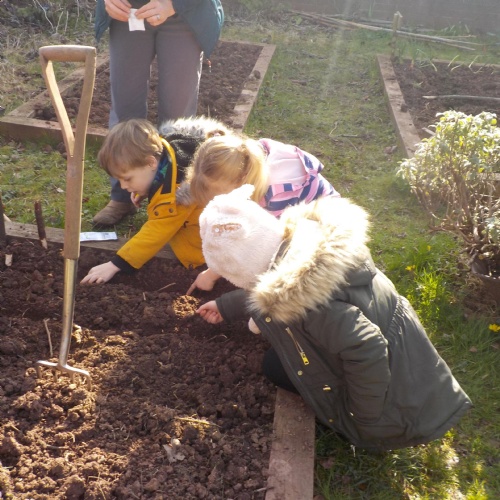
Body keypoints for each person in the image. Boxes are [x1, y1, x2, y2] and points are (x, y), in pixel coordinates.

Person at [195, 185, 472, 450]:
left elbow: (368, 349)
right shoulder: (304, 249)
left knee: (277, 367)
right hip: (411, 364)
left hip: (397, 408)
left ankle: (364, 422)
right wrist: (225, 305)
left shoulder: (310, 303)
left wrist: (361, 417)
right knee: (276, 361)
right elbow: (266, 283)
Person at [93, 0, 224, 226]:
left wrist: (174, 4)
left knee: (178, 119)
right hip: (127, 12)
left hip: (184, 15)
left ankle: (173, 200)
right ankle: (122, 196)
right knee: (125, 112)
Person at [185, 133, 341, 294]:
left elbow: (267, 249)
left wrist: (212, 274)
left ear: (241, 182)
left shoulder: (273, 199)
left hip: (326, 237)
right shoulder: (246, 156)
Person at [81, 116, 230, 284]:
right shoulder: (171, 151)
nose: (123, 186)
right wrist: (146, 190)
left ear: (151, 163)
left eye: (128, 179)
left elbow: (157, 230)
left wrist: (116, 264)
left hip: (217, 250)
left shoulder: (178, 193)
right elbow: (159, 178)